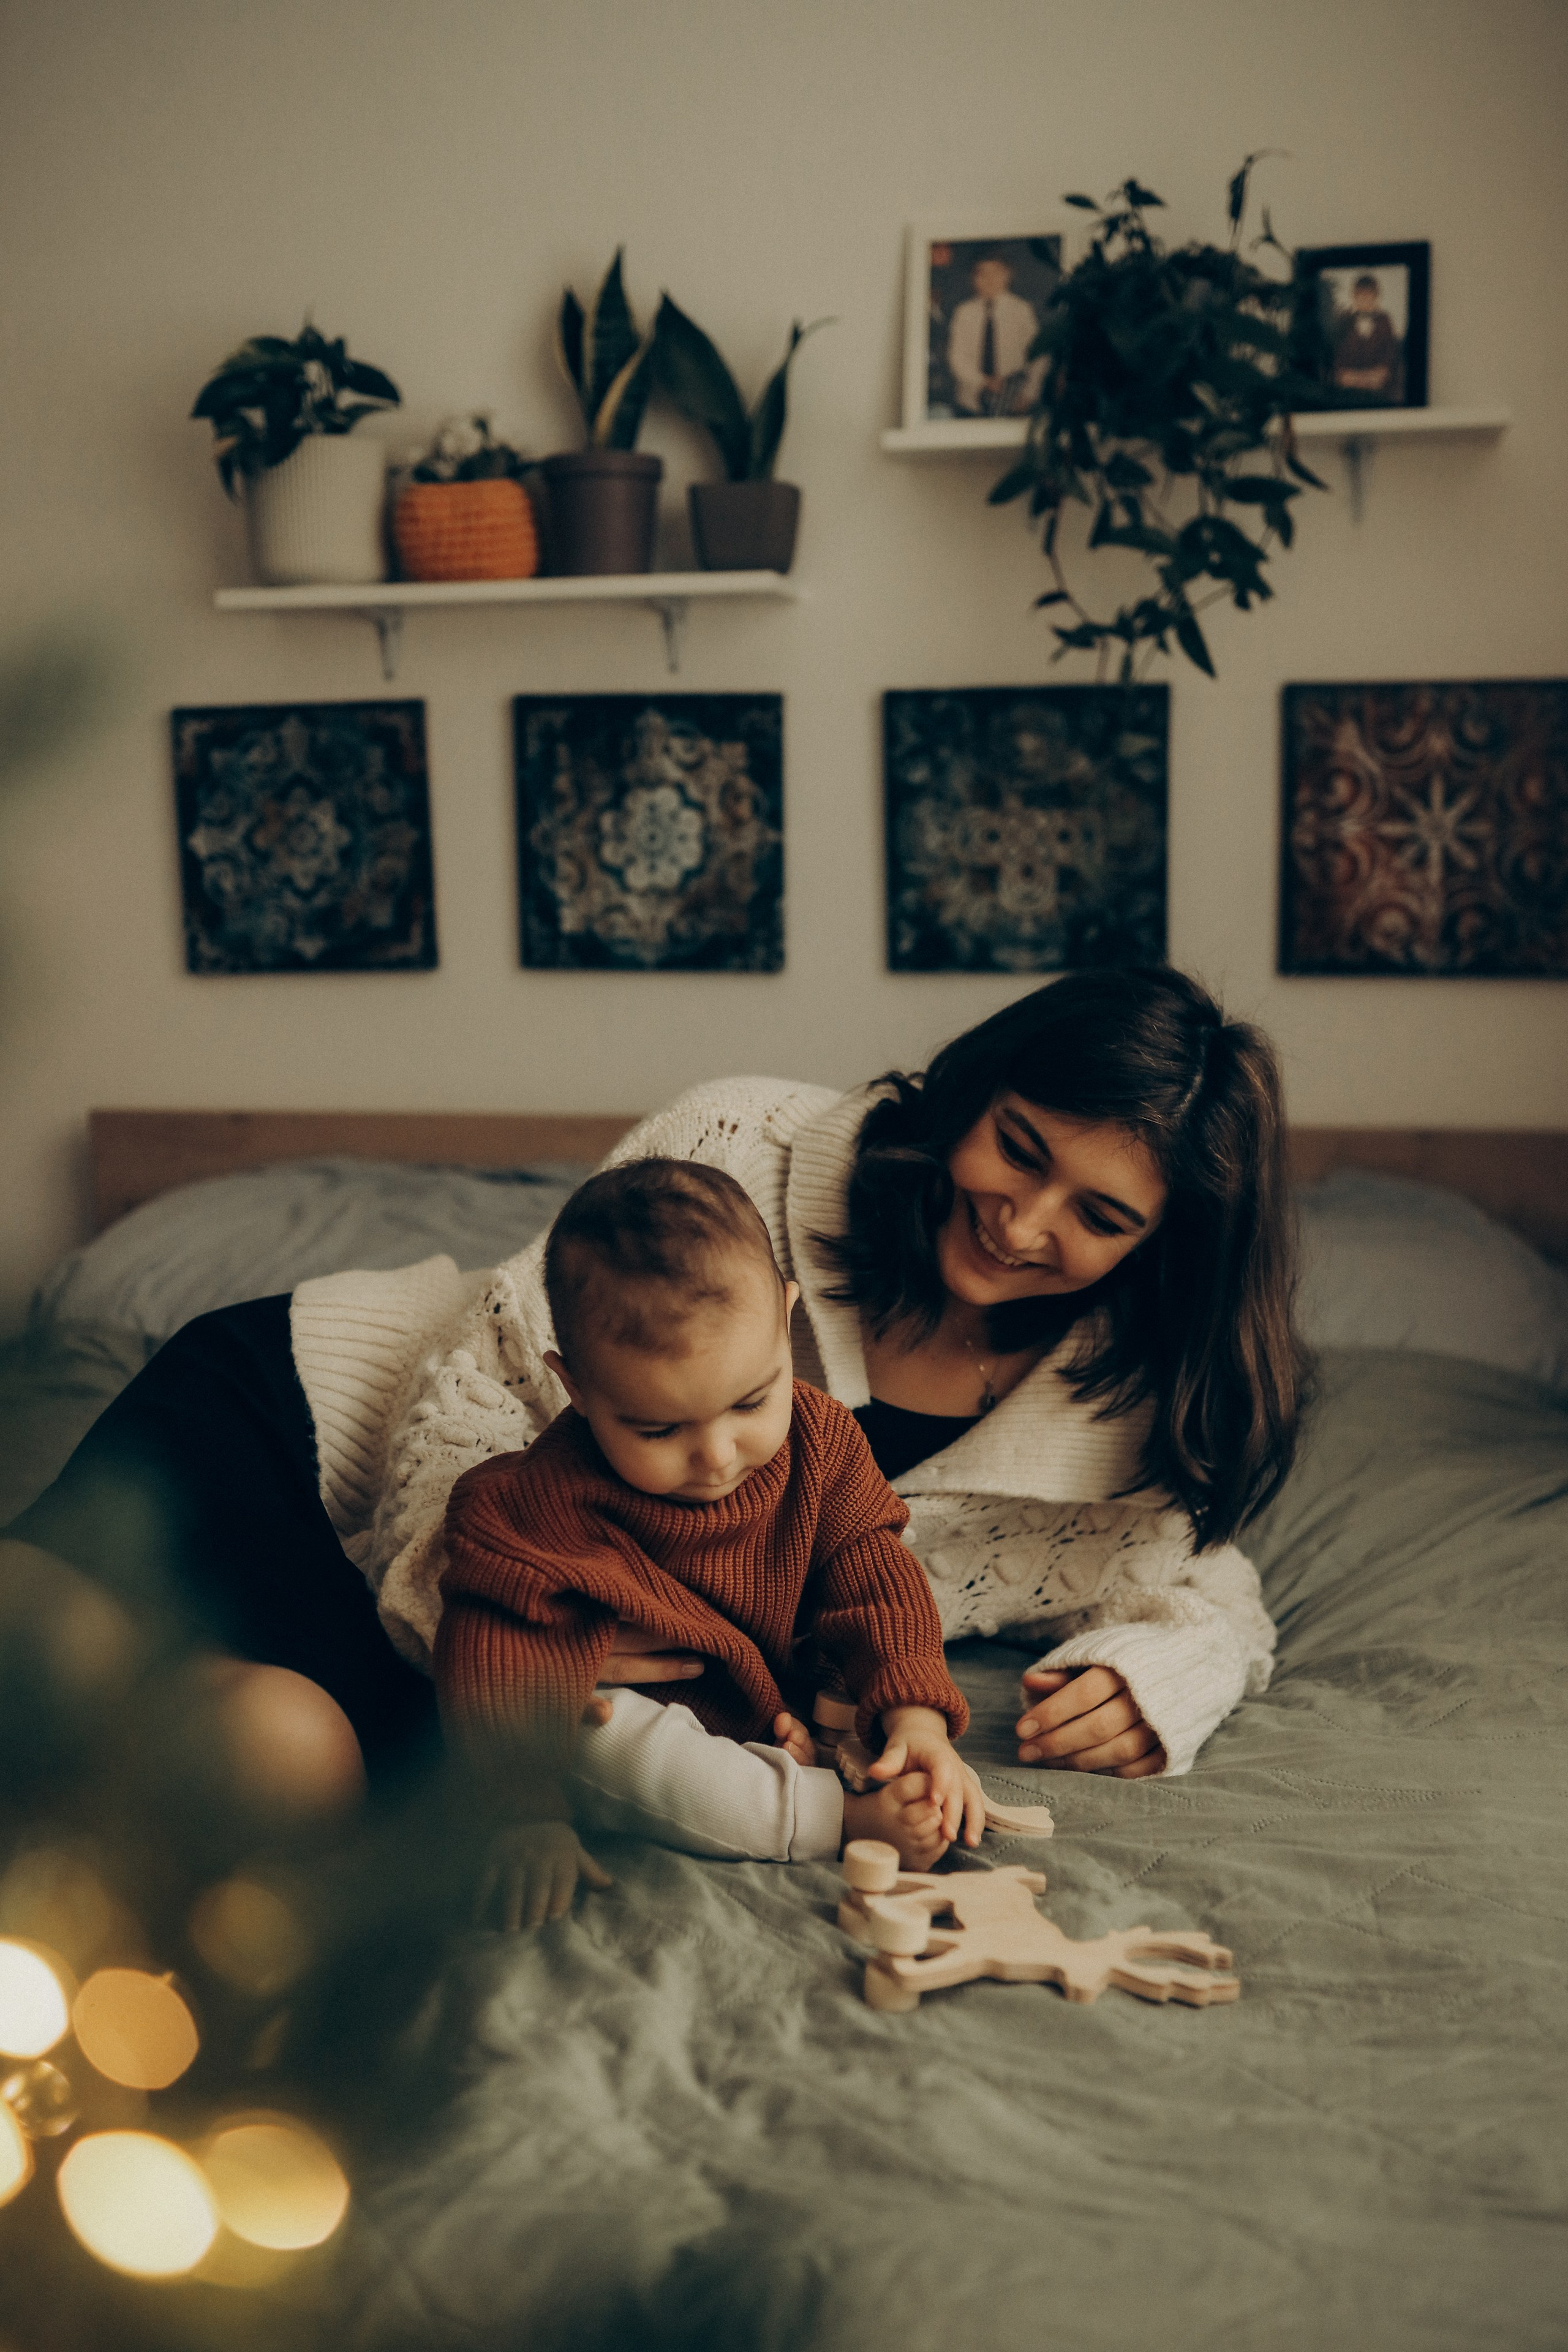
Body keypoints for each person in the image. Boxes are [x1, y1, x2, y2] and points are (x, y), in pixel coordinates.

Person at [10, 968, 1305, 1868]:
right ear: (978, 1095)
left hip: (501, 1665)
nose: (1022, 1223)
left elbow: (1208, 1588)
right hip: (315, 1434)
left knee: (266, 1772)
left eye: (1100, 1216)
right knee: (35, 1663)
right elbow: (485, 1384)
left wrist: (1157, 1683)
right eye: (1018, 1149)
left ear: (1161, 1250)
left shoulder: (1121, 1429)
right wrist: (546, 1624)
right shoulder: (748, 1144)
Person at [440, 1158, 978, 1929]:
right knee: (604, 1740)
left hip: (775, 1697)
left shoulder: (822, 1440)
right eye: (659, 1429)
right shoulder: (530, 1510)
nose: (718, 1457)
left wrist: (917, 1716)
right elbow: (491, 1669)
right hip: (643, 1722)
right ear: (576, 1388)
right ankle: (832, 1817)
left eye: (750, 1402)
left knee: (861, 1679)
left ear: (787, 1320)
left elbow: (874, 1575)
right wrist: (524, 1814)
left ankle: (834, 1758)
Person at [946, 252, 1044, 418]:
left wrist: (1029, 394)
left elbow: (1039, 355)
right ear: (973, 279)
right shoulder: (964, 312)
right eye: (982, 274)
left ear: (1008, 275)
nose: (989, 279)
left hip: (1013, 400)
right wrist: (984, 382)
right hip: (971, 402)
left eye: (996, 272)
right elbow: (957, 357)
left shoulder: (1022, 310)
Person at [1332, 273, 1404, 401]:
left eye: (1369, 294)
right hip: (1348, 390)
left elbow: (1390, 356)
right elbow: (1338, 360)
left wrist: (1377, 376)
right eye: (1361, 295)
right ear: (1354, 296)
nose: (1365, 299)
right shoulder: (1344, 321)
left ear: (1376, 296)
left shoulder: (1385, 321)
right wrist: (1352, 378)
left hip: (1379, 391)